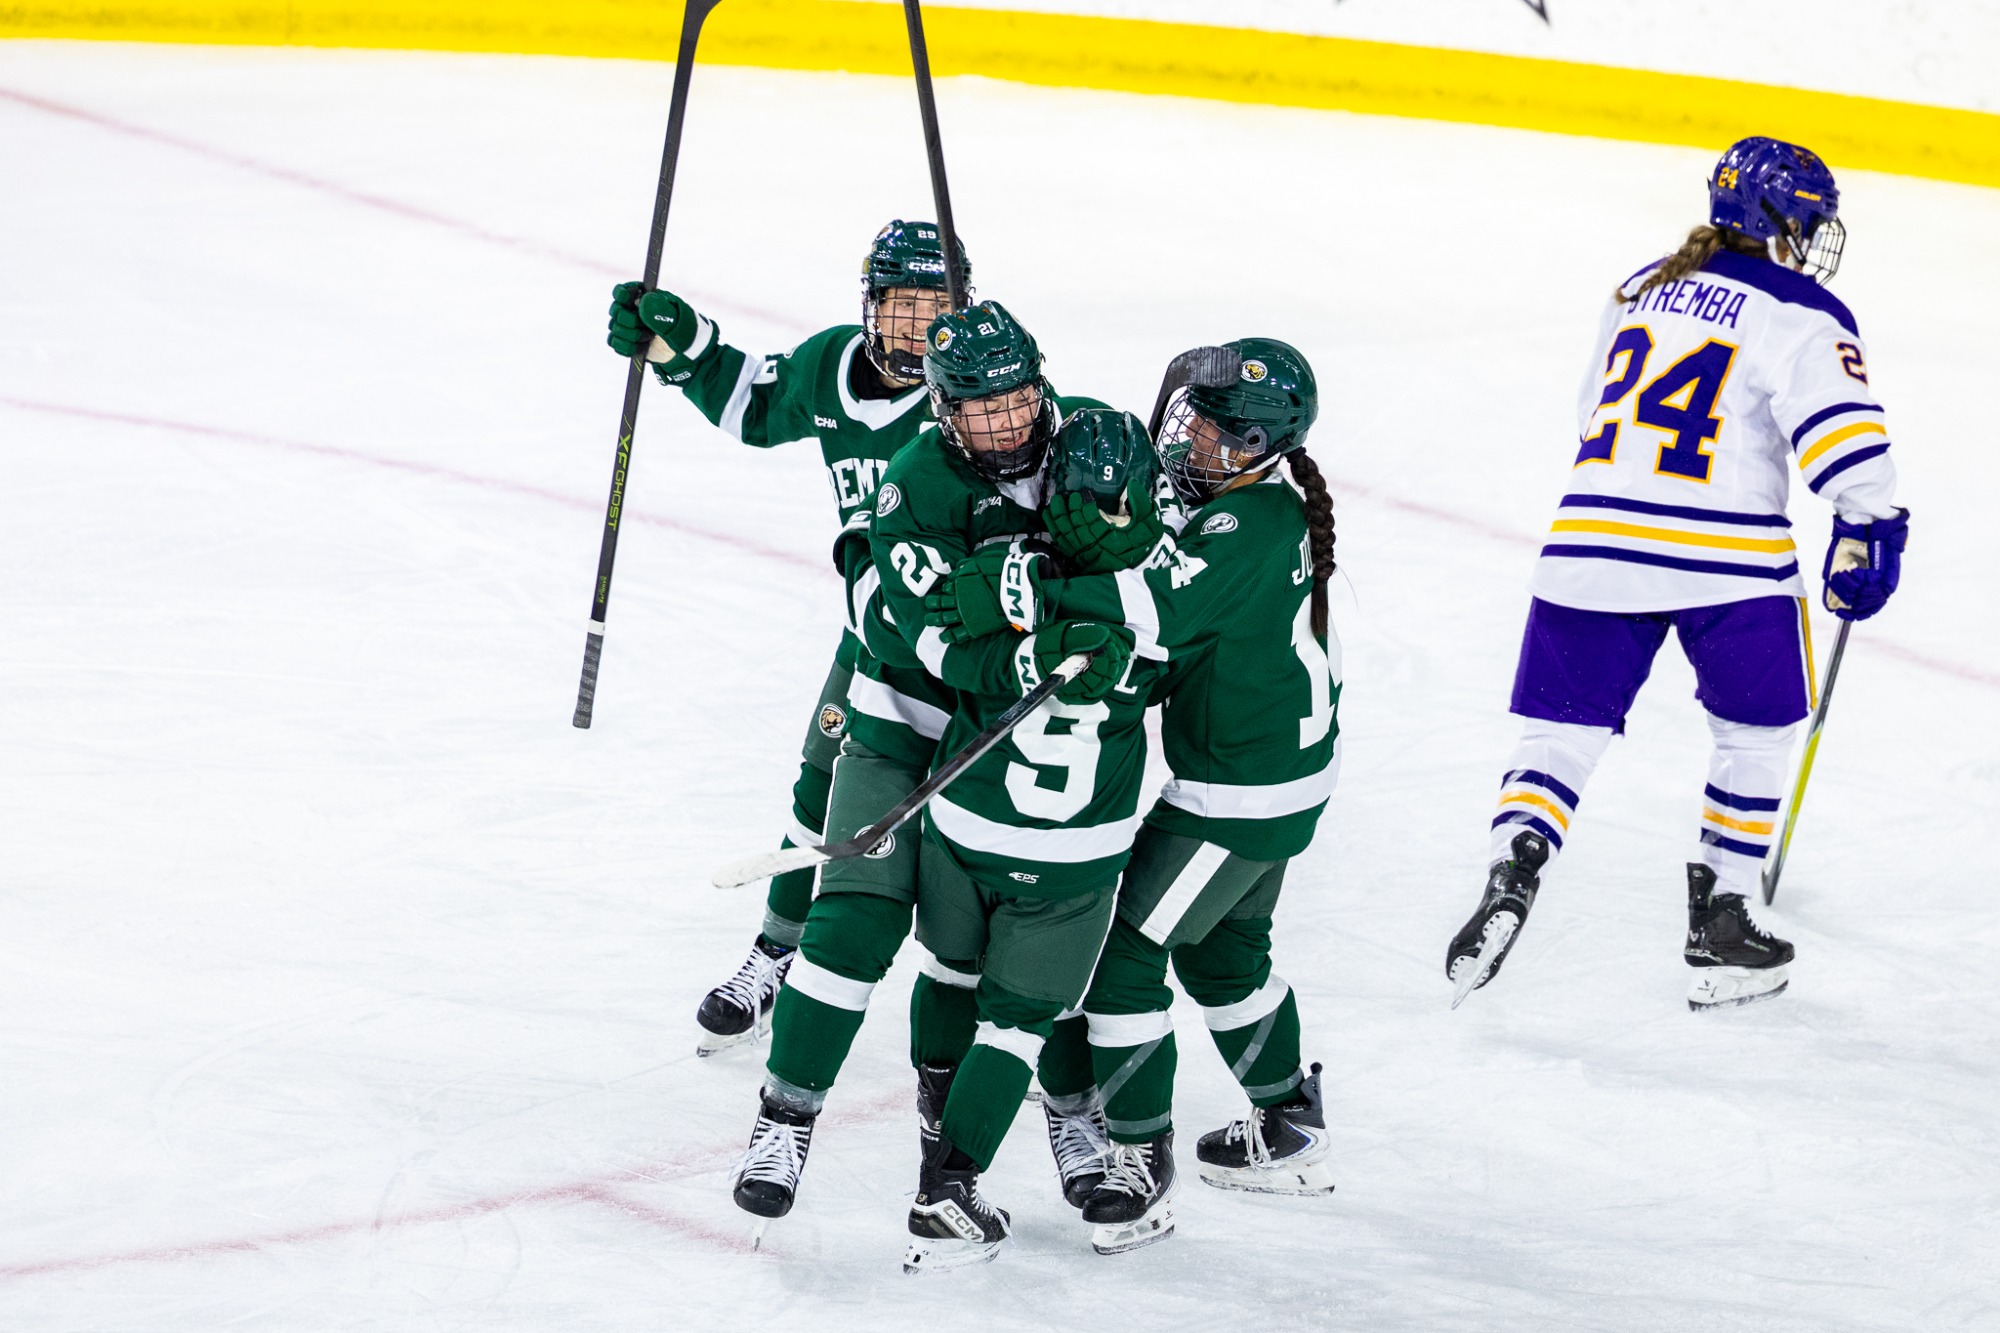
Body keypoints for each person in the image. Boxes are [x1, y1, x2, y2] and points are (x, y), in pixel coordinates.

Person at [1445, 137, 1909, 1012]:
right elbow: (1846, 446)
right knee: (1757, 734)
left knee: (1560, 733)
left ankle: (1517, 859)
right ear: (1780, 222)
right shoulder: (1803, 310)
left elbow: (1592, 414)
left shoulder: (1642, 285)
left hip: (1588, 542)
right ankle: (1724, 919)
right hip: (1725, 559)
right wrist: (1870, 526)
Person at [727, 301, 1127, 1254]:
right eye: (979, 408)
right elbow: (941, 646)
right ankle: (784, 1122)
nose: (1004, 422)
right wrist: (1033, 628)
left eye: (1018, 398)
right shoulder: (916, 482)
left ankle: (1032, 1125)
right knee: (856, 920)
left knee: (1030, 935)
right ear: (940, 409)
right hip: (908, 724)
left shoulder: (1083, 444)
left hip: (1017, 742)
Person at [928, 341, 1344, 1254]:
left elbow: (1147, 605)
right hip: (1273, 786)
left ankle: (1139, 1164)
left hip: (1235, 798)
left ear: (1260, 447)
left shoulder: (1251, 525)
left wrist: (1024, 584)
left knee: (1121, 954)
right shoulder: (1256, 505)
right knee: (1226, 955)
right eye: (1189, 420)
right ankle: (1290, 1122)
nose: (1187, 440)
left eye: (1212, 433)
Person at [605, 221, 969, 1054]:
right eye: (904, 305)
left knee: (993, 835)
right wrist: (679, 347)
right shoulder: (834, 365)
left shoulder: (976, 388)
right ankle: (776, 954)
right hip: (873, 643)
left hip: (973, 652)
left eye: (938, 307)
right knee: (820, 791)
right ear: (871, 306)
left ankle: (1029, 1018)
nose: (921, 326)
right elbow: (759, 404)